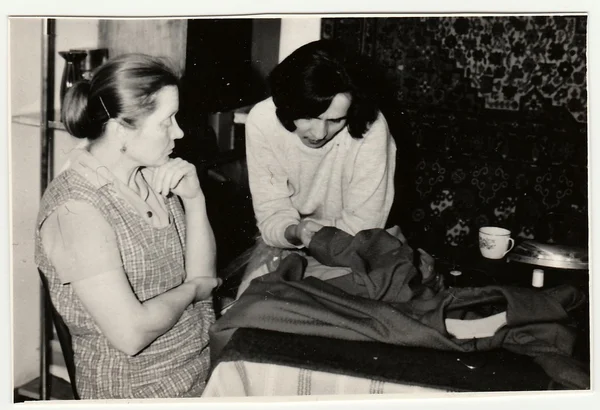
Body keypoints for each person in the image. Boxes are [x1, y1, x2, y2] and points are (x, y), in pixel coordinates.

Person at [34, 53, 220, 399]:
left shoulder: (151, 175)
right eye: (167, 122)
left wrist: (195, 201)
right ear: (121, 129)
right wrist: (193, 290)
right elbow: (131, 333)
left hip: (202, 361)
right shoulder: (74, 210)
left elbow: (203, 276)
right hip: (138, 390)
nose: (178, 132)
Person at [238, 39, 397, 298]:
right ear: (287, 105)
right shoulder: (262, 120)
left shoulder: (372, 127)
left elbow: (364, 226)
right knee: (245, 314)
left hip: (354, 245)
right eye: (308, 116)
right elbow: (271, 213)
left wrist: (314, 237)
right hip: (288, 241)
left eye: (335, 120)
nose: (320, 133)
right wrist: (294, 232)